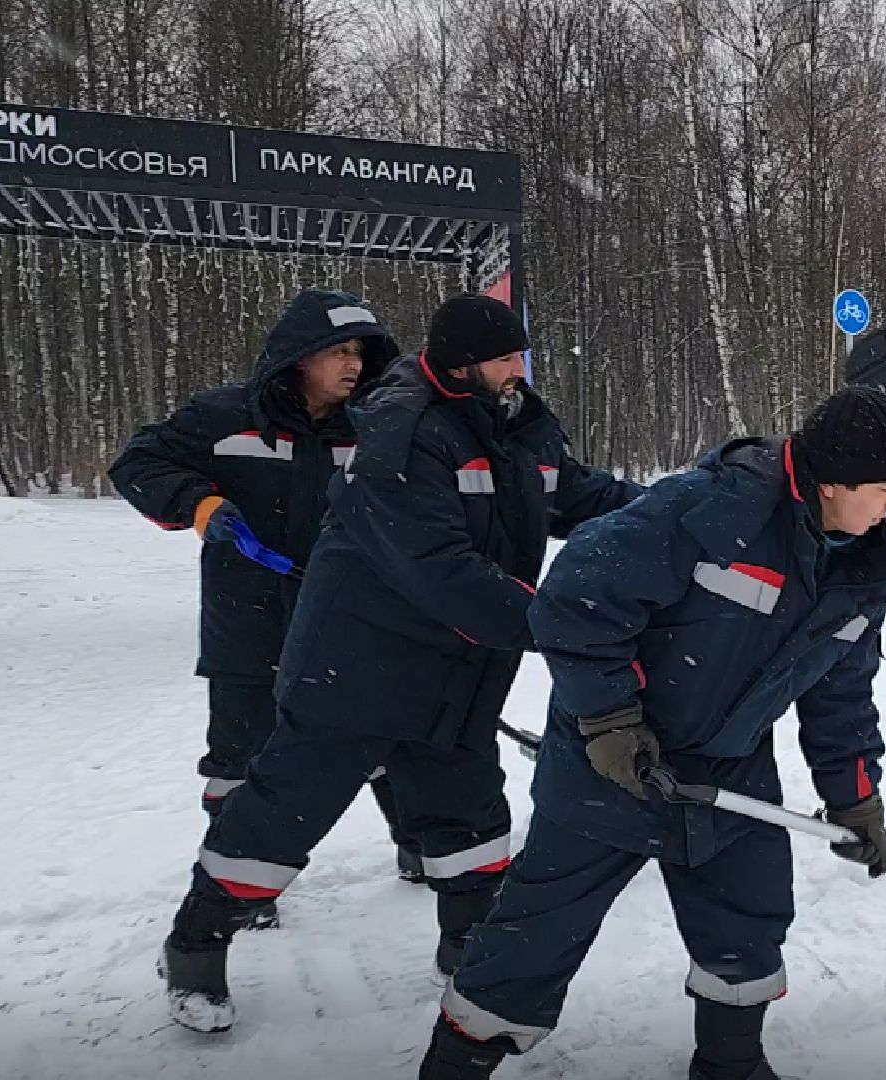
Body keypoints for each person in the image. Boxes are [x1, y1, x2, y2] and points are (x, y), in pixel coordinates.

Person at [157, 293, 643, 1034]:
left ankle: (467, 942)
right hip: (357, 662)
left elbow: (580, 495)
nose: (518, 370)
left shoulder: (515, 424)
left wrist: (676, 514)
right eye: (503, 358)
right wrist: (562, 625)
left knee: (468, 808)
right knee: (285, 809)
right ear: (460, 365)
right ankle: (195, 943)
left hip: (458, 667)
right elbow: (440, 569)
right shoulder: (403, 432)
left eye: (520, 355)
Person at [420, 385, 886, 1080]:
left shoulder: (861, 572)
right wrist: (608, 719)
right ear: (833, 483)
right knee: (534, 933)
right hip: (612, 762)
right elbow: (576, 598)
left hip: (730, 769)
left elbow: (841, 699)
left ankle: (730, 1063)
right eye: (885, 488)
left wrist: (855, 799)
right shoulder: (712, 511)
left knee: (747, 920)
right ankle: (457, 1063)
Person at [108, 289, 421, 913]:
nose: (354, 364)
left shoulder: (375, 425)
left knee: (381, 739)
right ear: (300, 356)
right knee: (239, 760)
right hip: (247, 623)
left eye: (361, 352)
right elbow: (138, 464)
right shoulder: (224, 416)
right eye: (338, 351)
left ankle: (419, 846)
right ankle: (235, 889)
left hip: (347, 621)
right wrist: (200, 505)